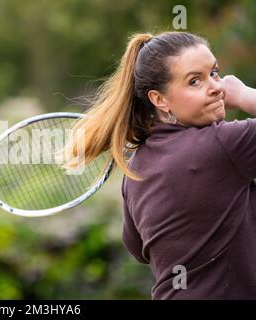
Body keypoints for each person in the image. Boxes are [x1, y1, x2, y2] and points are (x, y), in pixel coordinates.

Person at [62, 31, 256, 299]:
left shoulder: (136, 170)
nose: (217, 87)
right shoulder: (224, 145)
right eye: (194, 81)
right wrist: (245, 95)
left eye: (214, 72)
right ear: (159, 100)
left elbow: (138, 247)